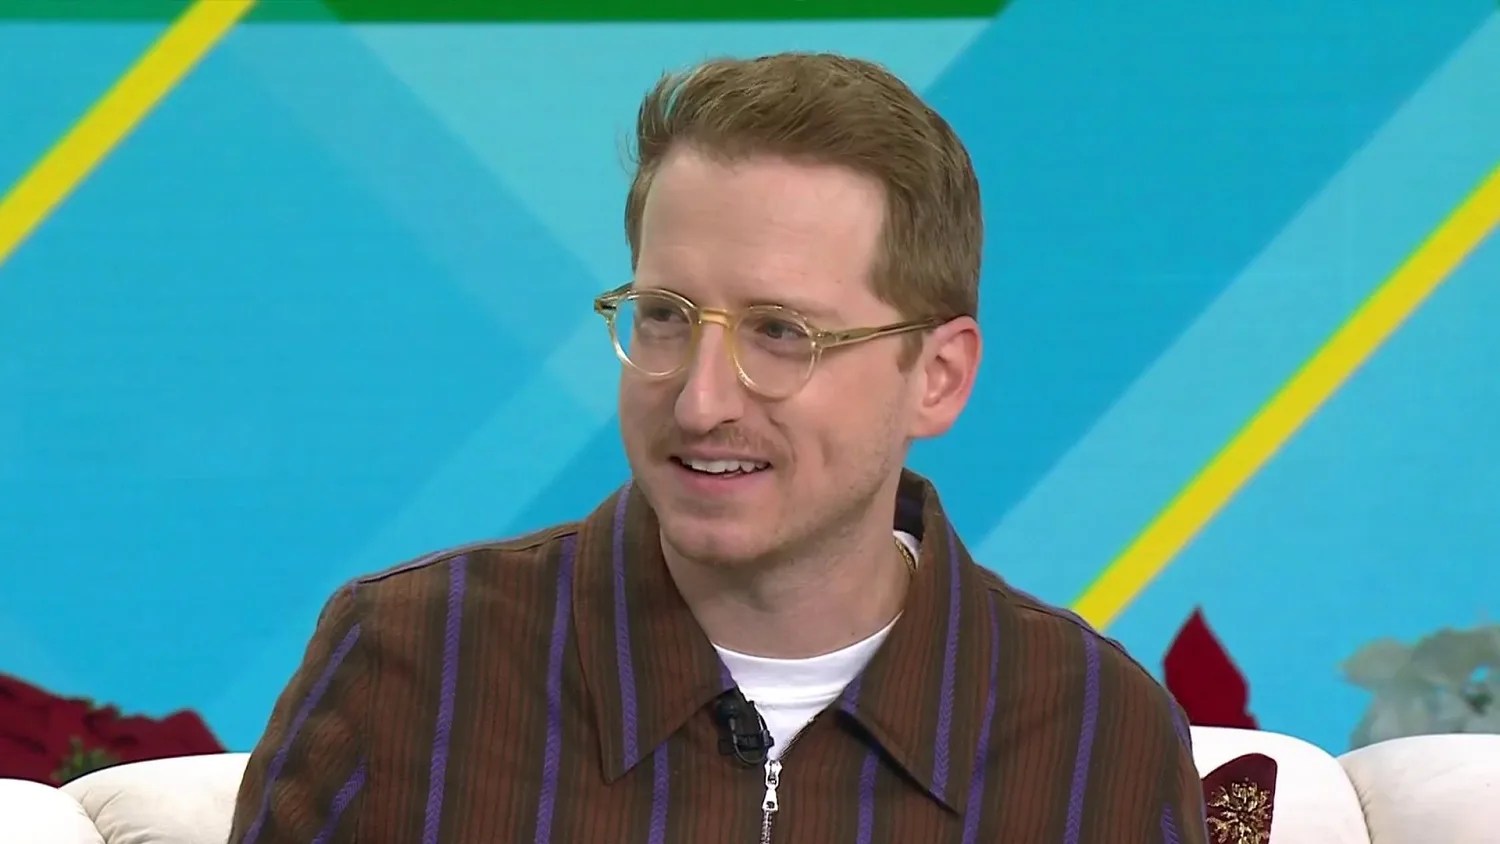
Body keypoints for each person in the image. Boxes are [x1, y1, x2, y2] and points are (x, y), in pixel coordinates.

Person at [227, 51, 1208, 843]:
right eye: (664, 315)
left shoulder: (1097, 736)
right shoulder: (408, 668)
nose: (699, 401)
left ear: (938, 376)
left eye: (782, 332)